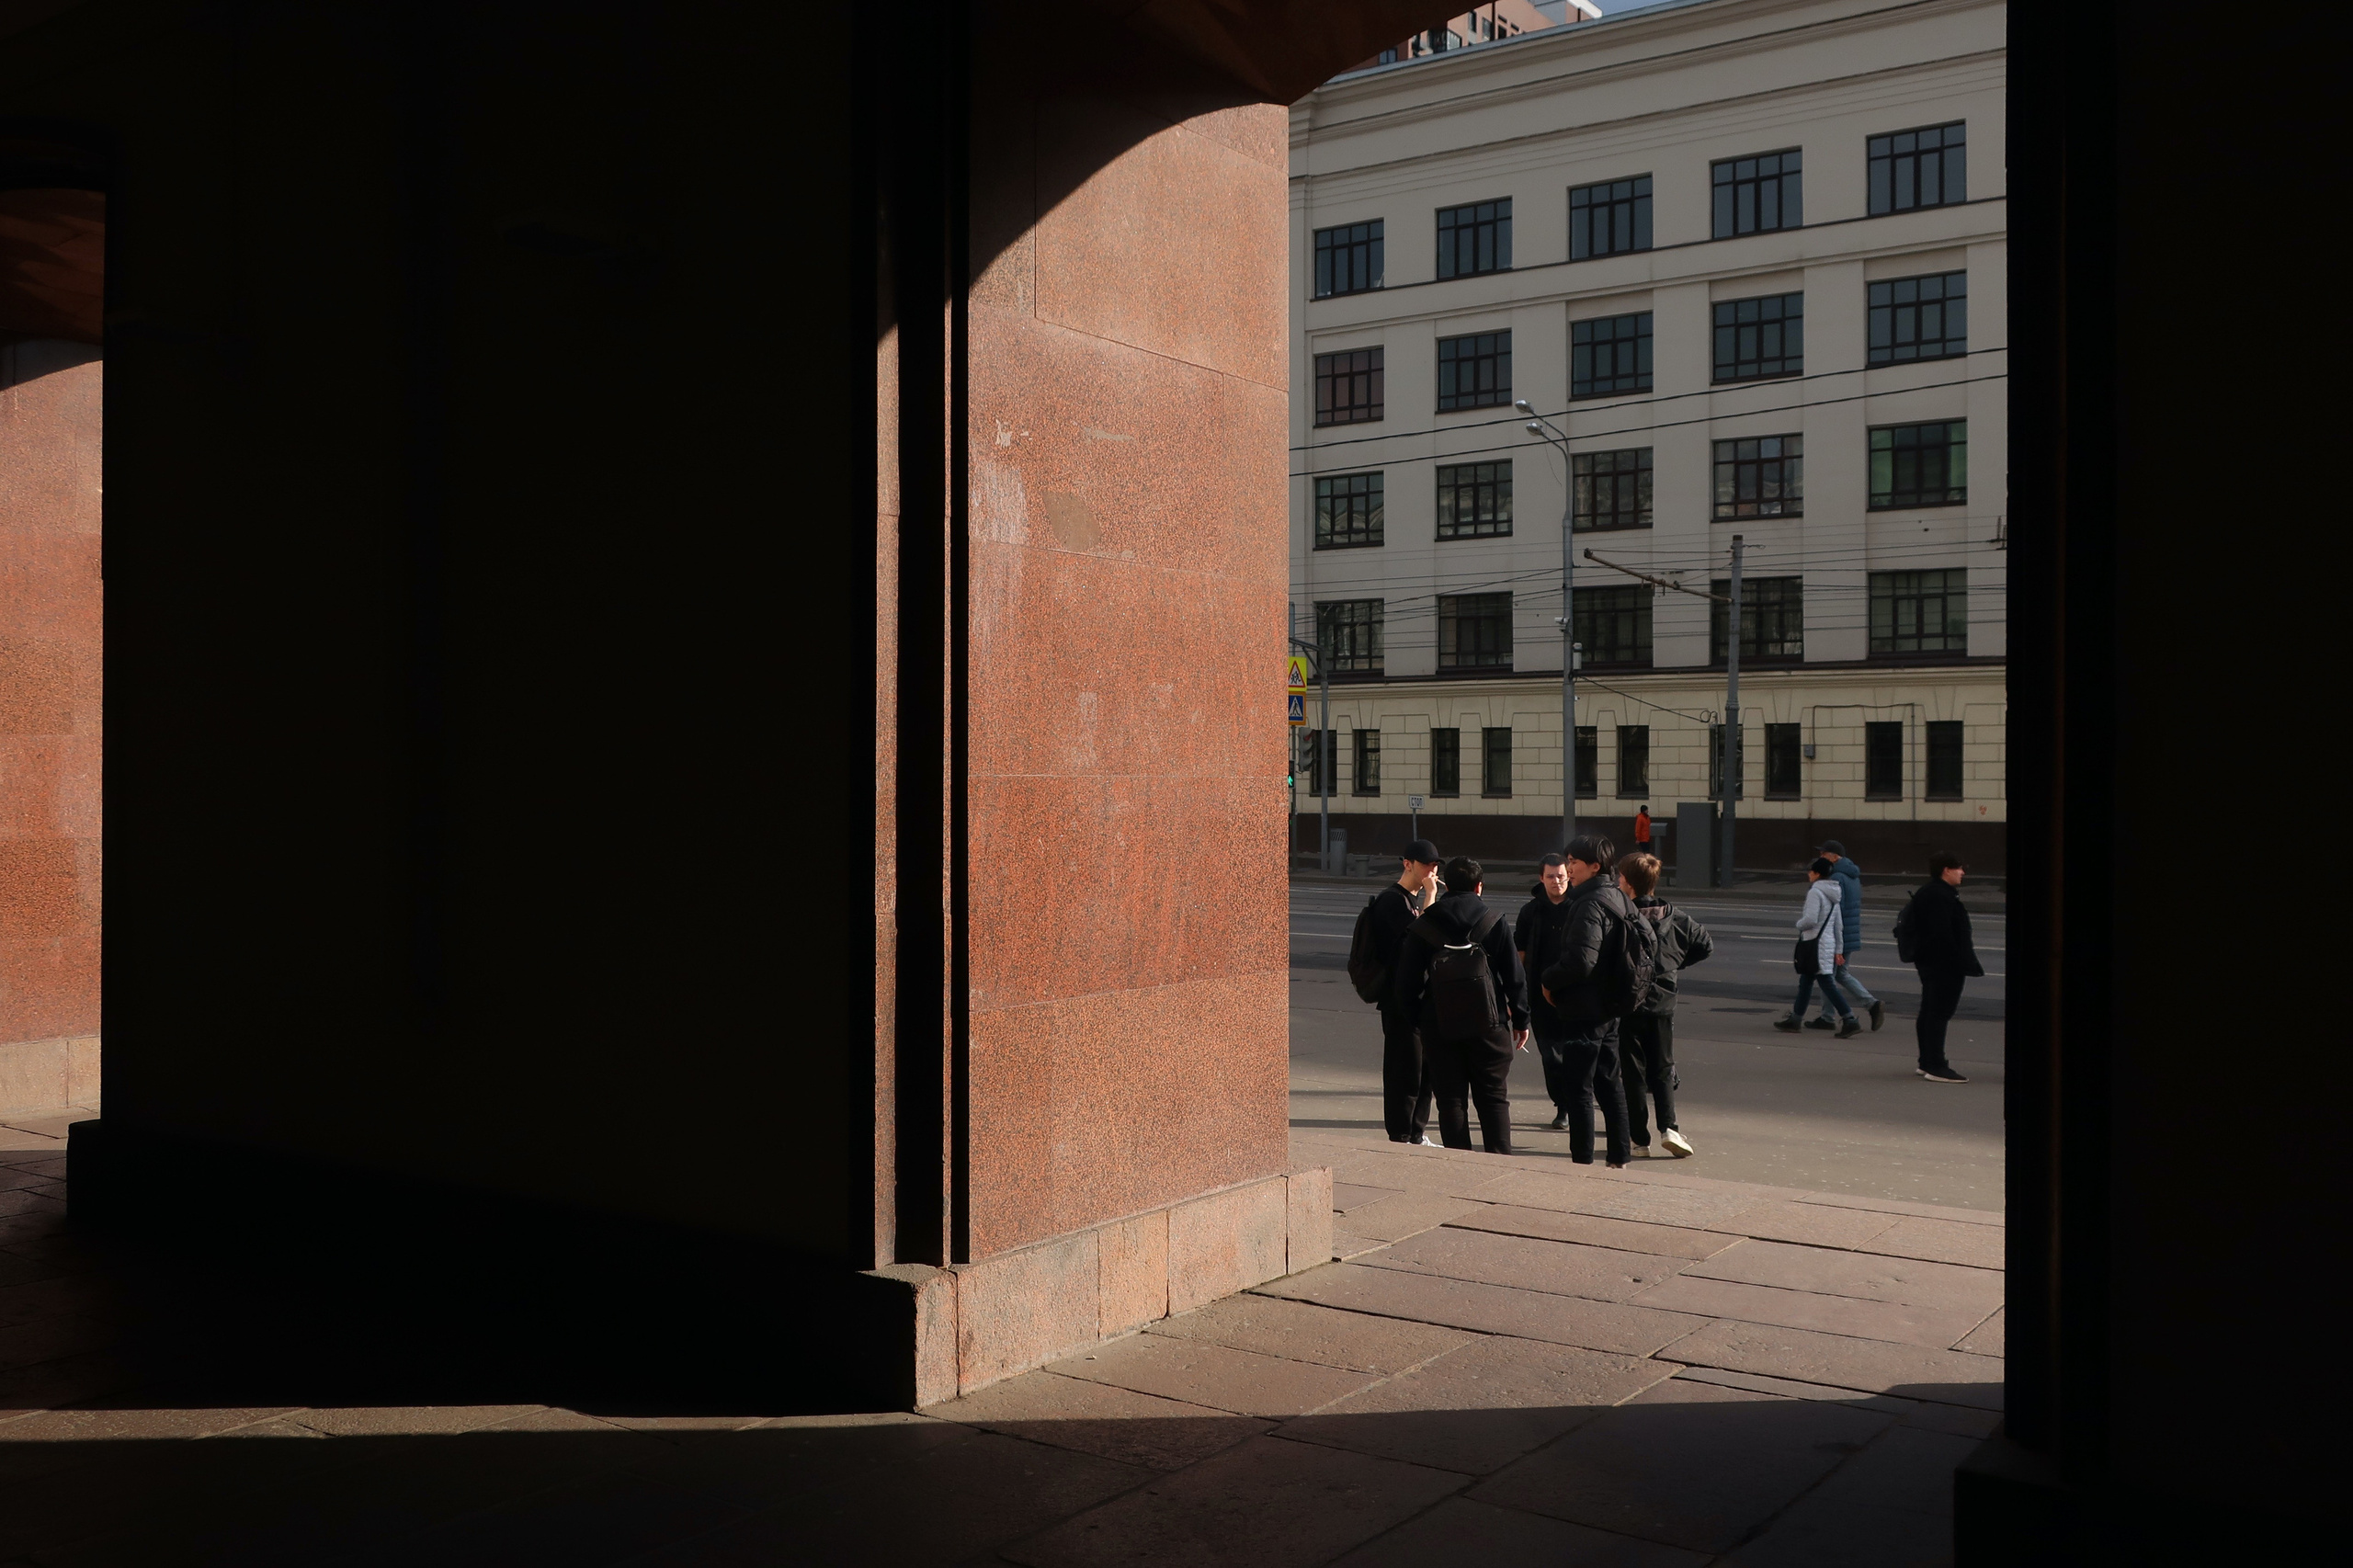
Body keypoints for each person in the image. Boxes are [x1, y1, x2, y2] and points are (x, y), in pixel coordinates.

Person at [1394, 856, 1530, 1153]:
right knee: (1493, 1097)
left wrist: (1422, 1020)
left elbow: (1405, 985)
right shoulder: (1493, 920)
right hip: (1490, 1025)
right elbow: (1514, 977)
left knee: (1451, 1101)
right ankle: (1500, 1161)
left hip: (1440, 1026)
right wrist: (1521, 1021)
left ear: (1447, 886)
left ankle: (1460, 1167)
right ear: (1479, 887)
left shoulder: (1425, 925)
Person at [1537, 835, 1638, 1167]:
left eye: (1574, 863)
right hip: (1610, 1006)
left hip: (1585, 1008)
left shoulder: (1590, 903)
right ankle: (1619, 1155)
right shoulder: (1619, 898)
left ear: (1595, 866)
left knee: (1579, 1087)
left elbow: (1581, 960)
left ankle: (1582, 1161)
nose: (1568, 869)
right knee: (1610, 1083)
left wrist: (1548, 980)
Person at [1617, 852, 1711, 1158]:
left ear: (1628, 883)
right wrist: (1673, 963)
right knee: (1663, 1066)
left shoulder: (1622, 916)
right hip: (1663, 1001)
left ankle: (1639, 1139)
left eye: (1620, 878)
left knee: (1632, 1070)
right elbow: (1705, 944)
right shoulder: (1676, 916)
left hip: (1629, 1001)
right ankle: (1669, 1128)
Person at [1367, 839, 1445, 1144]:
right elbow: (1419, 938)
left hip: (1420, 998)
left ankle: (1417, 1131)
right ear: (1407, 864)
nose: (1432, 870)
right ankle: (1401, 1131)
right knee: (1404, 1069)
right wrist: (1432, 896)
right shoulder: (1392, 901)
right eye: (1426, 864)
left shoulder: (1413, 899)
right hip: (1398, 1000)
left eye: (1436, 865)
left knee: (1425, 1069)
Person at [1895, 850, 1984, 1084]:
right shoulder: (1939, 895)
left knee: (1930, 1010)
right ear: (1947, 870)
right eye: (1959, 868)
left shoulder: (1934, 892)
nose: (1962, 873)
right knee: (1939, 1013)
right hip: (1943, 964)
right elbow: (1942, 934)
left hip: (1933, 963)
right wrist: (1958, 960)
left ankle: (1927, 1061)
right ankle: (1936, 1064)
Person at [1514, 855, 1580, 1131]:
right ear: (1541, 878)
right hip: (1540, 998)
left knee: (1576, 1056)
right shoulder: (1531, 912)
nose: (1557, 881)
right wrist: (1517, 993)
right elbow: (1520, 955)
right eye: (1551, 876)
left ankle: (1576, 1105)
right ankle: (1562, 1105)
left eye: (1562, 876)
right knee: (1552, 1057)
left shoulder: (1580, 907)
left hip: (1575, 995)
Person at [1776, 858, 1861, 1038]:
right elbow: (1838, 925)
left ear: (1817, 873)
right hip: (1826, 944)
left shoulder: (1815, 892)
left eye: (1811, 871)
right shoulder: (1834, 892)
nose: (1808, 874)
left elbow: (1810, 920)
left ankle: (1850, 1019)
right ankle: (1796, 1019)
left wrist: (1798, 924)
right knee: (1806, 982)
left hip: (1814, 945)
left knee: (1826, 983)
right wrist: (1838, 949)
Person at [1810, 840, 1884, 1031]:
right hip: (1849, 932)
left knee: (1827, 974)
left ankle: (1828, 1018)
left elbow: (1834, 910)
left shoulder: (1837, 877)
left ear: (1835, 856)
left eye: (1824, 854)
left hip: (1838, 935)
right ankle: (1871, 1005)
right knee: (1839, 974)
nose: (1821, 857)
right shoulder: (1851, 874)